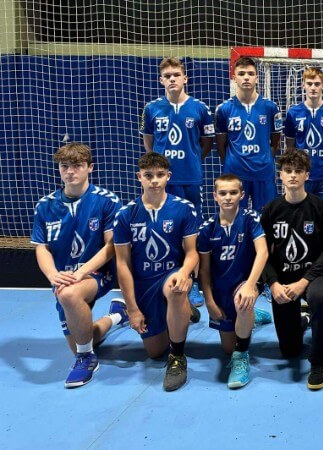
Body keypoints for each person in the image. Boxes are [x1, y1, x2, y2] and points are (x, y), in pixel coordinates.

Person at [31, 143, 128, 388]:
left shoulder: (106, 201)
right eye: (65, 166)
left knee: (69, 294)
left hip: (97, 272)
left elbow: (111, 246)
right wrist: (53, 275)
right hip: (63, 277)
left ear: (90, 167)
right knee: (81, 339)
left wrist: (81, 272)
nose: (70, 171)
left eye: (77, 165)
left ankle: (87, 360)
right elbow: (41, 248)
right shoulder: (45, 205)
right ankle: (118, 315)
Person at [113, 152, 201, 391]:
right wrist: (132, 309)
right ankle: (182, 310)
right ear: (139, 177)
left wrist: (185, 272)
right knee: (154, 352)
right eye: (148, 175)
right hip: (144, 283)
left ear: (168, 176)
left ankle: (177, 357)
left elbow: (192, 253)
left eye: (160, 175)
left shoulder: (184, 208)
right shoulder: (125, 215)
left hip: (172, 274)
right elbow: (122, 264)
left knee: (176, 289)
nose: (154, 180)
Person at [139, 56, 214, 308]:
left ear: (185, 78)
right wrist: (158, 169)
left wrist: (192, 160)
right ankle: (164, 279)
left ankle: (193, 283)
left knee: (192, 233)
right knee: (163, 230)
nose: (172, 79)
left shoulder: (200, 108)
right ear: (161, 80)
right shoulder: (152, 109)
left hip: (190, 178)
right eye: (167, 76)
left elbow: (206, 143)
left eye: (176, 75)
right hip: (162, 182)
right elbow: (149, 143)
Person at [260, 150, 323, 390]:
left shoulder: (320, 207)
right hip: (282, 279)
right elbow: (263, 253)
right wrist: (272, 283)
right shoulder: (271, 210)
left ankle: (318, 361)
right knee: (289, 350)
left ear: (307, 175)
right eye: (288, 171)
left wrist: (304, 281)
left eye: (298, 171)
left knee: (320, 298)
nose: (293, 175)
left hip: (311, 276)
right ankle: (304, 320)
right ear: (280, 175)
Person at [198, 174, 269, 389]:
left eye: (233, 192)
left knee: (243, 302)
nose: (228, 197)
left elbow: (263, 252)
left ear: (242, 195)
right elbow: (204, 270)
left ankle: (241, 357)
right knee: (227, 347)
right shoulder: (207, 229)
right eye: (223, 193)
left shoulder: (251, 219)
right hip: (221, 288)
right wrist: (209, 301)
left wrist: (250, 284)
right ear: (215, 196)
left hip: (246, 282)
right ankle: (252, 316)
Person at [215, 56, 283, 211]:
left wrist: (265, 159)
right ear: (234, 78)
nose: (246, 77)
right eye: (241, 74)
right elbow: (221, 145)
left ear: (257, 78)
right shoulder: (224, 109)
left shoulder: (270, 107)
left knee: (267, 218)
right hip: (235, 174)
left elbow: (275, 142)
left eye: (251, 74)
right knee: (234, 217)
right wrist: (232, 163)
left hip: (263, 173)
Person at [283, 66, 323, 206]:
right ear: (303, 85)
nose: (313, 88)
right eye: (309, 84)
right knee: (301, 214)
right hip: (301, 176)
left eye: (317, 84)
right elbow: (290, 147)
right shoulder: (293, 113)